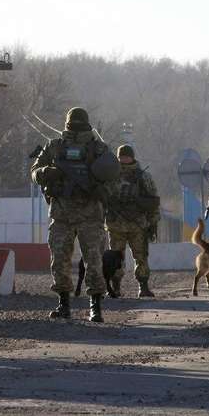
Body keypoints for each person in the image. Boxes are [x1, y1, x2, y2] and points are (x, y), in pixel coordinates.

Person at [31, 107, 119, 322]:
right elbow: (35, 172)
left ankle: (95, 305)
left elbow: (113, 179)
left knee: (94, 261)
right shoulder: (55, 146)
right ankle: (64, 304)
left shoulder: (98, 149)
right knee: (60, 260)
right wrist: (45, 172)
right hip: (62, 213)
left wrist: (100, 192)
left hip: (90, 214)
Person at [106, 144, 160, 298]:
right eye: (121, 156)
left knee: (141, 256)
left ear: (132, 157)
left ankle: (143, 286)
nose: (123, 159)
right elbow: (103, 197)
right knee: (115, 258)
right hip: (116, 224)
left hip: (138, 224)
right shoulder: (111, 175)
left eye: (126, 156)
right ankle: (115, 287)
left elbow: (154, 201)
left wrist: (153, 222)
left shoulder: (143, 177)